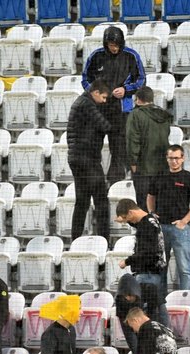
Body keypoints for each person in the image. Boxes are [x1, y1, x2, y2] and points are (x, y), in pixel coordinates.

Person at [82, 26, 145, 185]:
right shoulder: (96, 56)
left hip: (122, 110)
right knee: (93, 145)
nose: (114, 48)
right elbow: (85, 79)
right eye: (111, 45)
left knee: (118, 148)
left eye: (116, 45)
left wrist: (126, 90)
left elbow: (141, 80)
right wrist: (95, 93)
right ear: (106, 43)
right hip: (99, 109)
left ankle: (116, 182)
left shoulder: (131, 56)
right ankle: (93, 179)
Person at [148, 145, 190, 292]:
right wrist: (152, 214)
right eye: (171, 158)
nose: (174, 161)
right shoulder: (159, 176)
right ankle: (160, 303)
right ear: (167, 159)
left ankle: (187, 300)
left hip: (180, 228)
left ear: (183, 158)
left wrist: (184, 221)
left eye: (177, 158)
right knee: (160, 268)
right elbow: (150, 196)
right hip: (160, 229)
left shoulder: (189, 178)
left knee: (184, 268)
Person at [68, 80, 113, 240]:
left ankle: (75, 239)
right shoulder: (87, 105)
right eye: (103, 97)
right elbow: (105, 126)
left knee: (82, 202)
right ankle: (104, 240)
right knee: (101, 201)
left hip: (76, 158)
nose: (104, 101)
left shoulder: (80, 102)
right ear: (95, 93)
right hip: (88, 159)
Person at [115, 198, 168, 327]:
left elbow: (147, 252)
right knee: (159, 307)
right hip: (155, 272)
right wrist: (125, 220)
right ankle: (166, 334)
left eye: (127, 218)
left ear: (131, 212)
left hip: (148, 274)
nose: (128, 222)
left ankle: (155, 337)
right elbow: (137, 223)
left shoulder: (146, 226)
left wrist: (127, 261)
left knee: (148, 312)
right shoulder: (150, 220)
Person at [124, 86, 172, 208]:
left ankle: (147, 227)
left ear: (138, 99)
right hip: (162, 167)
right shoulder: (164, 114)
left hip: (143, 168)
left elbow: (132, 141)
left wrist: (133, 163)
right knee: (160, 203)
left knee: (144, 205)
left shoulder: (135, 114)